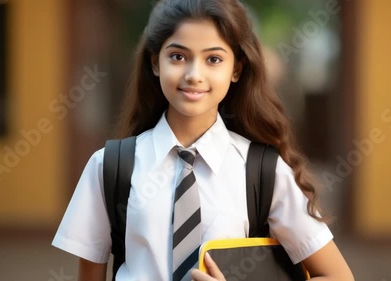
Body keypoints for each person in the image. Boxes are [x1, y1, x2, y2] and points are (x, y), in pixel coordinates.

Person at [52, 0, 354, 280]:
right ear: (155, 63)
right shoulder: (109, 167)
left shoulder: (263, 172)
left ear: (236, 69)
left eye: (213, 59)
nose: (194, 74)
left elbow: (339, 276)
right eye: (178, 56)